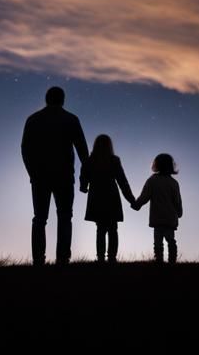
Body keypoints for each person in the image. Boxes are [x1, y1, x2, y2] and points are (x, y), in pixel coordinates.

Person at [21, 86, 89, 266]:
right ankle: (63, 258)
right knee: (65, 216)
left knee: (39, 218)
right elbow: (83, 152)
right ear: (63, 99)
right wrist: (85, 178)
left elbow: (25, 149)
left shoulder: (33, 120)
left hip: (40, 176)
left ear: (46, 99)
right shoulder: (71, 119)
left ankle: (38, 260)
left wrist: (32, 172)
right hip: (64, 176)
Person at [79, 133, 136, 263]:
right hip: (111, 196)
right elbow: (123, 182)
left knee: (100, 229)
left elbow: (83, 175)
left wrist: (83, 187)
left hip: (96, 196)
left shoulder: (89, 160)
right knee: (112, 228)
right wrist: (132, 200)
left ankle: (100, 258)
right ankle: (112, 257)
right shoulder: (114, 160)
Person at [131, 152, 183, 264]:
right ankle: (172, 262)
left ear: (156, 165)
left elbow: (144, 196)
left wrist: (137, 204)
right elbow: (177, 200)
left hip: (157, 218)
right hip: (170, 218)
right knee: (171, 240)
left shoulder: (152, 180)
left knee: (158, 242)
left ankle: (159, 261)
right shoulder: (173, 183)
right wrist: (179, 212)